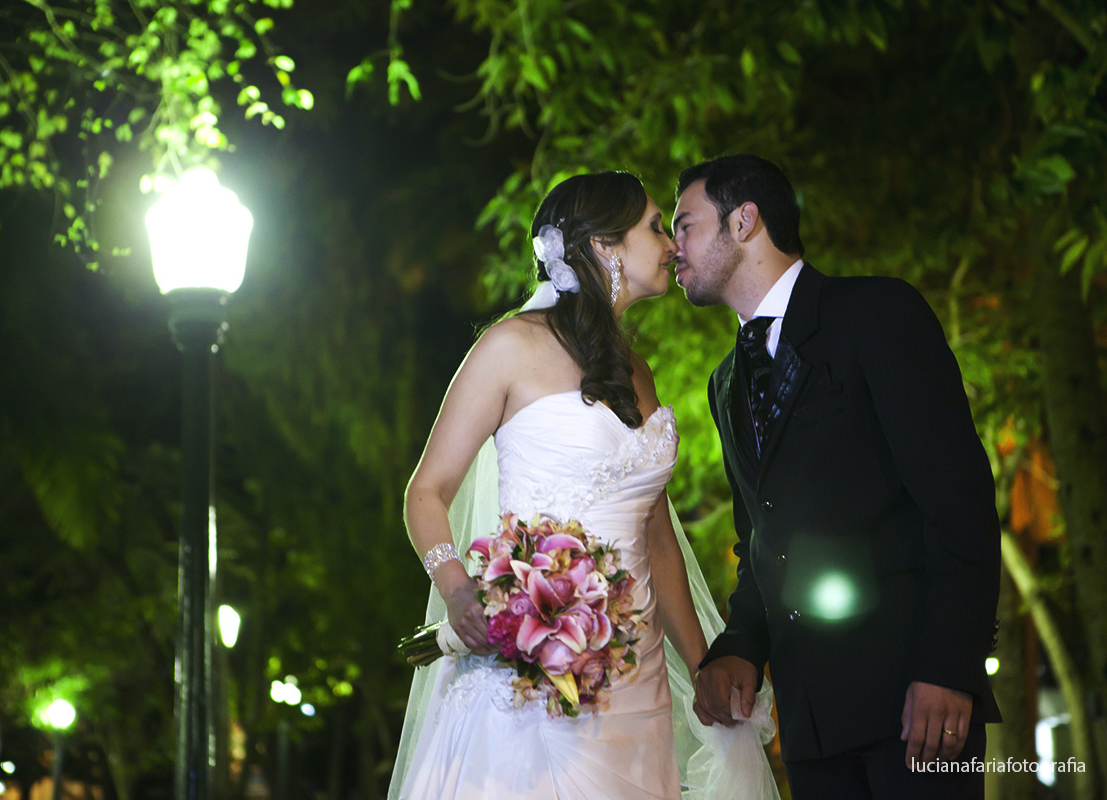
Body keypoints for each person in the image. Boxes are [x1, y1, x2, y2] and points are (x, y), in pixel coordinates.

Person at [388, 171, 779, 799]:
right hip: (537, 677)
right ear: (604, 245)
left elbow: (656, 537)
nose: (672, 243)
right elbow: (426, 491)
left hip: (638, 681)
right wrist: (459, 591)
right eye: (655, 227)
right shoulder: (510, 346)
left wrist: (701, 660)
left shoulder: (638, 371)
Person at [672, 154, 1001, 799]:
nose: (671, 246)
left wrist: (948, 667)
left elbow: (957, 498)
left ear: (744, 221)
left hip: (916, 705)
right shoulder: (725, 383)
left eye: (684, 224)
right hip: (811, 724)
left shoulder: (876, 312)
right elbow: (760, 543)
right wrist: (740, 642)